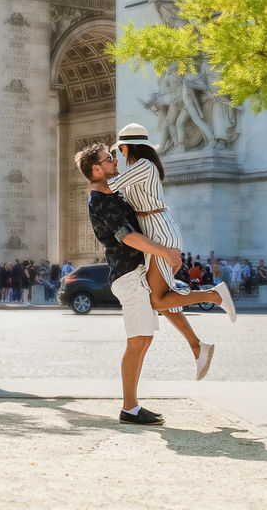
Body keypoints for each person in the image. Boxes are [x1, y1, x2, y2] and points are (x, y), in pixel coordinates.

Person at [109, 121, 236, 381]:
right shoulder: (141, 167)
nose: (119, 155)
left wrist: (94, 179)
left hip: (159, 235)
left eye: (120, 149)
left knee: (157, 300)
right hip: (157, 234)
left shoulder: (143, 166)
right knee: (163, 299)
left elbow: (111, 187)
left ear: (128, 147)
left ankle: (214, 296)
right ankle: (197, 346)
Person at [75, 140, 184, 426]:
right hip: (127, 275)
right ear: (96, 169)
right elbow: (127, 237)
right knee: (137, 341)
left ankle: (132, 405)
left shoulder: (112, 193)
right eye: (109, 158)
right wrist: (166, 252)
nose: (115, 161)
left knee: (144, 339)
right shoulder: (100, 200)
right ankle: (130, 408)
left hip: (136, 272)